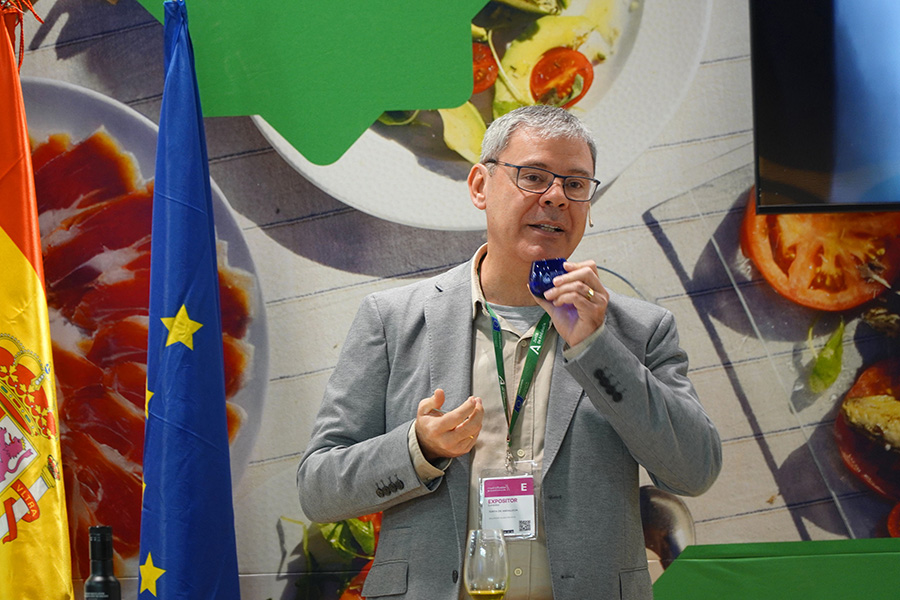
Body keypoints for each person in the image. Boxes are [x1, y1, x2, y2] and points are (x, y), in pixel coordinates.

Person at [297, 104, 722, 600]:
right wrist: (419, 449)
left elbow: (694, 471)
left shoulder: (640, 331)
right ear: (480, 186)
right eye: (534, 176)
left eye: (576, 184)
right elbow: (318, 487)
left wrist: (596, 347)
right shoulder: (392, 319)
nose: (556, 197)